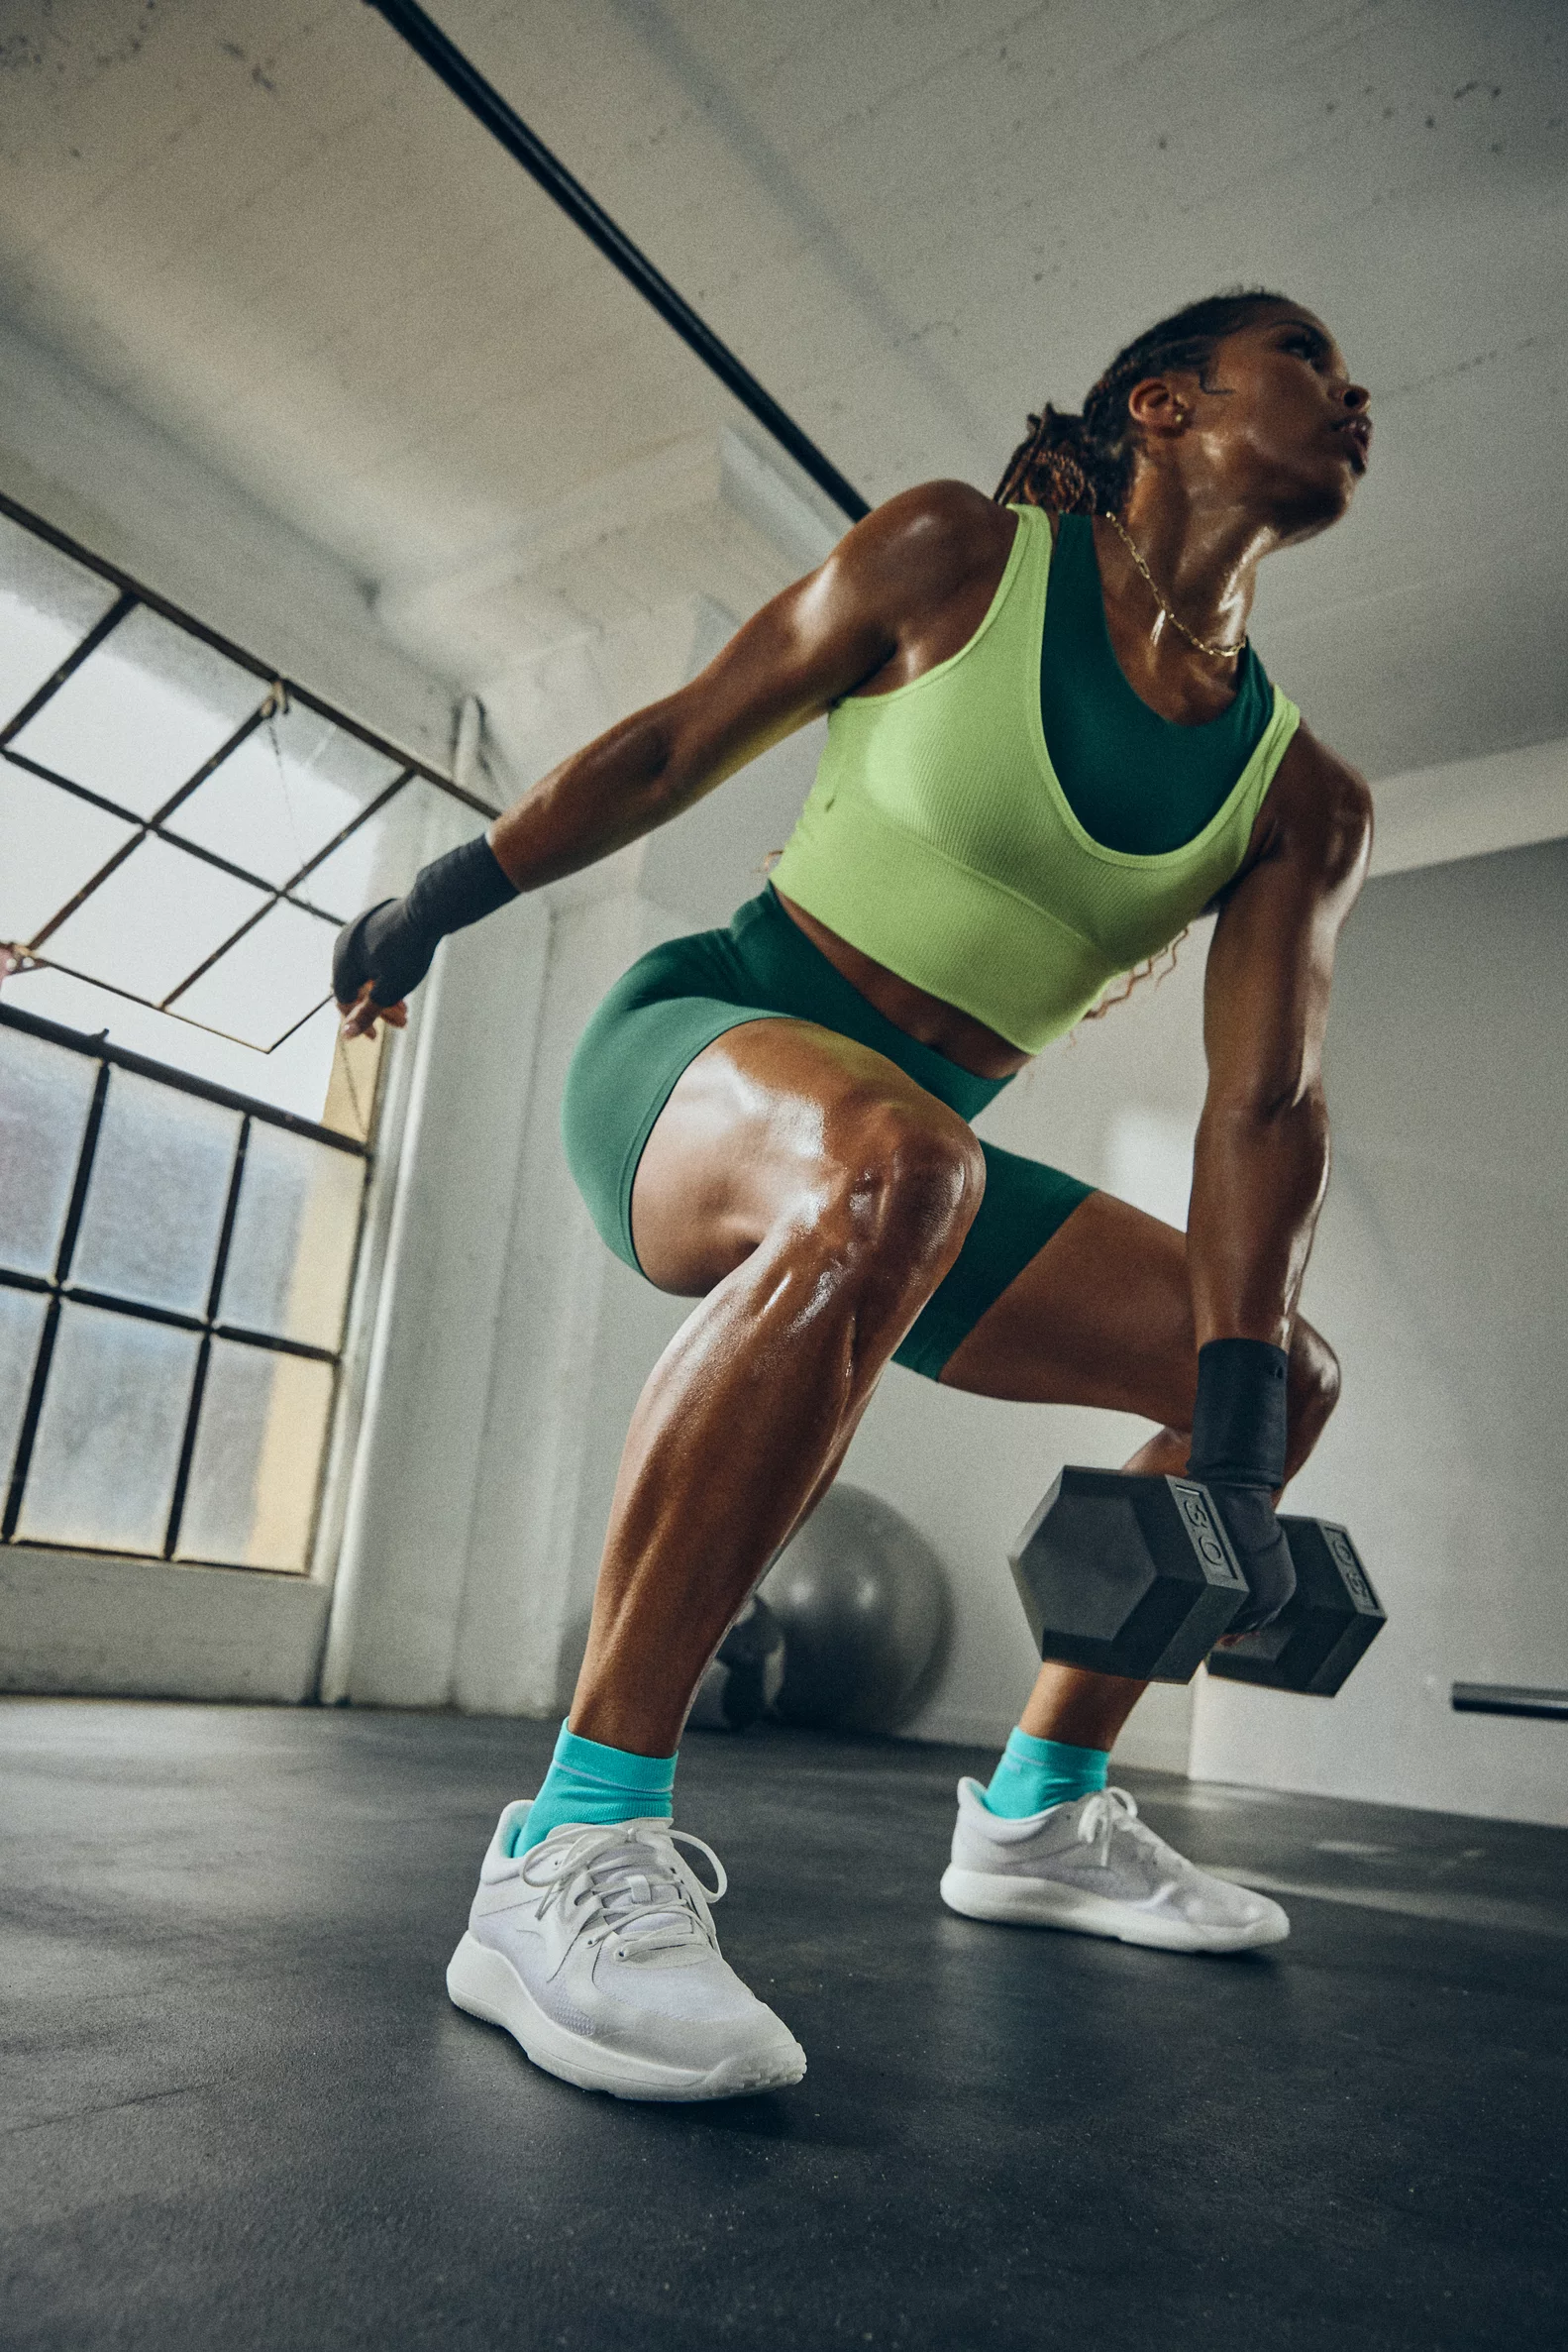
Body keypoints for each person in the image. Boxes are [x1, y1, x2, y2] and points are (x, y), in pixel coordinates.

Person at [335, 289, 1374, 2103]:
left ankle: (1040, 1816)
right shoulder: (958, 554)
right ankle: (565, 1846)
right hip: (704, 1053)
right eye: (1305, 361)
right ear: (1163, 401)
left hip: (912, 1165)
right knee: (907, 1158)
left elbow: (1263, 1101)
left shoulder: (1299, 790)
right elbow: (672, 745)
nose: (1353, 398)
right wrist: (437, 895)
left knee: (1279, 1372)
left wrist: (1221, 1422)